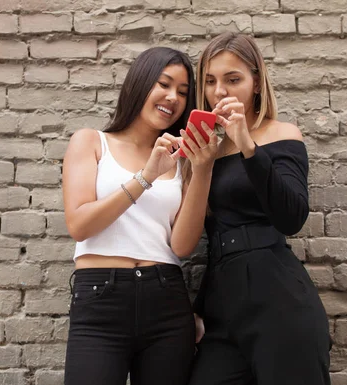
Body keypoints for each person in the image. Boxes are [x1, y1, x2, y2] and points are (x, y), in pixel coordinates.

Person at [62, 47, 218, 385]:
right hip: (100, 300)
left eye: (182, 92)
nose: (172, 97)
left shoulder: (183, 161)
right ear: (140, 83)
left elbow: (182, 245)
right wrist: (145, 176)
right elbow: (79, 224)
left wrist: (203, 168)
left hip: (166, 300)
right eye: (163, 84)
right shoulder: (91, 142)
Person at [188, 32, 332, 385]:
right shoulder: (209, 151)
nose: (219, 91)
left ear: (256, 83)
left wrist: (248, 145)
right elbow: (210, 235)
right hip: (222, 303)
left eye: (233, 79)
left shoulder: (281, 134)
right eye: (210, 81)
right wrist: (199, 308)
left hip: (277, 298)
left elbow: (292, 217)